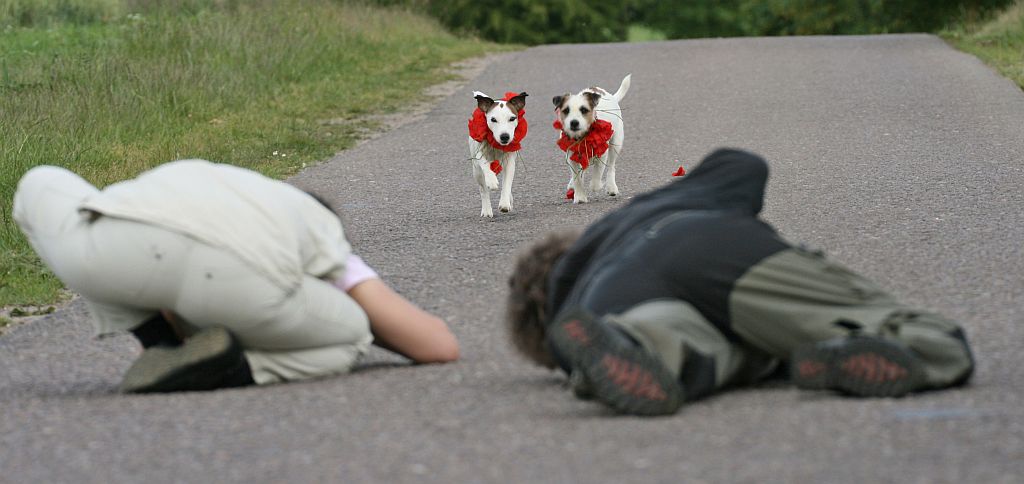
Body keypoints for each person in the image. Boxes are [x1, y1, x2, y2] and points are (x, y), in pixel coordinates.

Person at [505, 148, 974, 416]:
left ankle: (644, 342)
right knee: (926, 334)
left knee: (689, 342)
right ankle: (898, 342)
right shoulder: (632, 217)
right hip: (705, 243)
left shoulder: (580, 313)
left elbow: (572, 339)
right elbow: (743, 166)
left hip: (621, 302)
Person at [13, 159, 458, 393]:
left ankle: (160, 347)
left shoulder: (244, 185)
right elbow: (437, 346)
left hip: (116, 234)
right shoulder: (317, 228)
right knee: (353, 332)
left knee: (39, 182)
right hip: (236, 284)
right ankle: (234, 368)